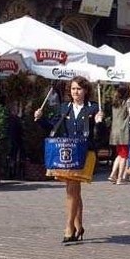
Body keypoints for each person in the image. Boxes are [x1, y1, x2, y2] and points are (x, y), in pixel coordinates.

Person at [34, 76, 105, 243]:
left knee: (72, 189)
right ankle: (78, 226)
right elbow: (53, 127)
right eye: (73, 89)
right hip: (67, 152)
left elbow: (101, 135)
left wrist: (100, 122)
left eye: (79, 89)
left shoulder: (93, 108)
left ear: (86, 91)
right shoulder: (64, 107)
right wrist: (40, 118)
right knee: (74, 190)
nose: (76, 92)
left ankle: (69, 227)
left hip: (85, 153)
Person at [108, 84, 130, 185]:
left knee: (119, 154)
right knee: (124, 155)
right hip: (124, 131)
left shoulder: (114, 102)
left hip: (115, 131)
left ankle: (113, 174)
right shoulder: (126, 103)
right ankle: (119, 177)